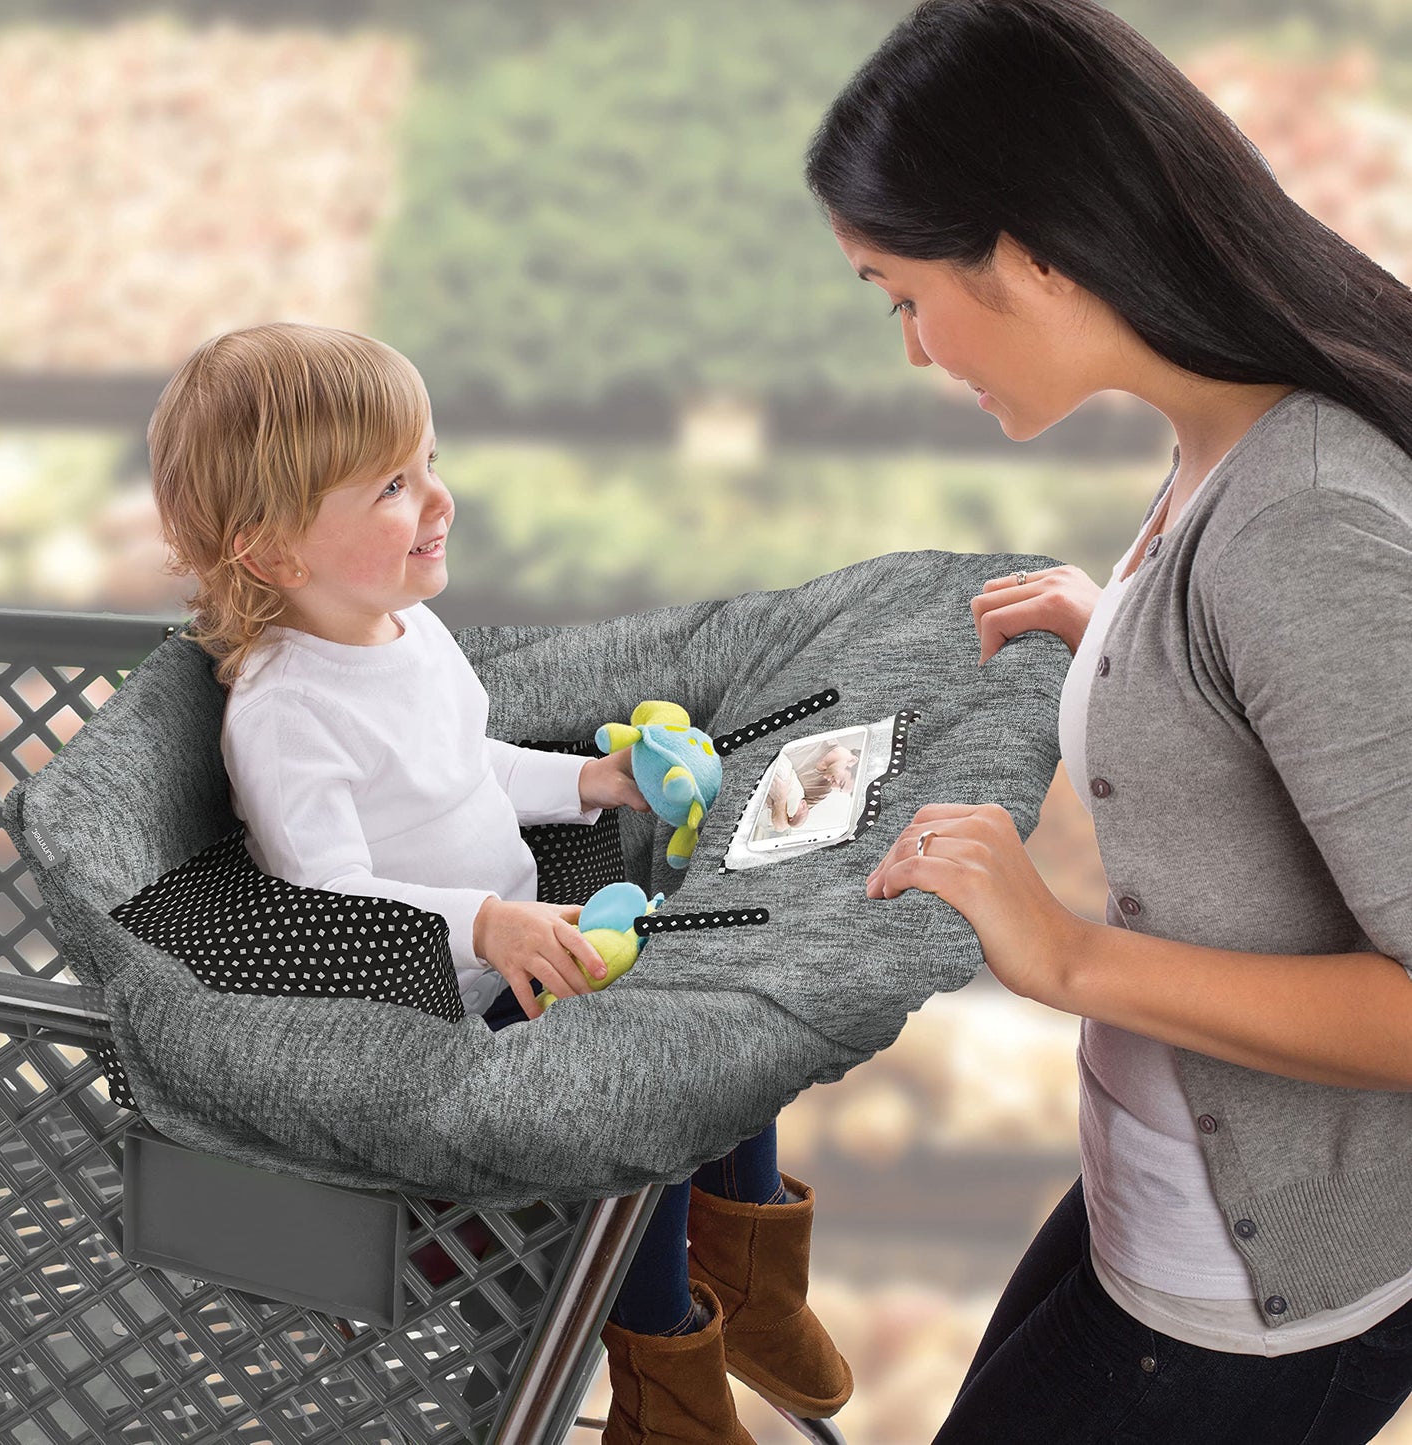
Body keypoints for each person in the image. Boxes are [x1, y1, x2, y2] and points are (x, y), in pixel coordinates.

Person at [805, 2, 1412, 1441]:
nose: (908, 345)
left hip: (1253, 1300)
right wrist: (1127, 635)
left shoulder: (1300, 520)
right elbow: (1281, 670)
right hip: (1168, 1202)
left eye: (899, 292)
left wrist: (1066, 950)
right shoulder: (1232, 438)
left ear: (1026, 255)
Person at [146, 321, 852, 1444]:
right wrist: (484, 922)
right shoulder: (286, 714)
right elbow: (322, 901)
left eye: (428, 464)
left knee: (728, 1002)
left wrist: (595, 779)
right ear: (275, 553)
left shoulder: (404, 633)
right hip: (435, 1037)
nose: (439, 499)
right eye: (391, 484)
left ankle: (750, 1275)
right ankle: (663, 1365)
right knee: (649, 1078)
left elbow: (460, 764)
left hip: (510, 968)